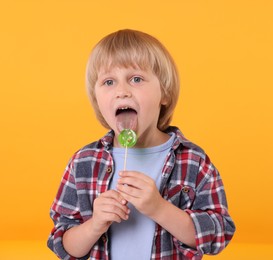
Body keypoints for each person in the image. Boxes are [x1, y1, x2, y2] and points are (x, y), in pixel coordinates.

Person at [47, 29, 235, 260]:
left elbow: (219, 234)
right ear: (96, 99)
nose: (122, 91)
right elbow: (62, 244)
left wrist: (159, 208)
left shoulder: (193, 161)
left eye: (136, 79)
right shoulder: (83, 162)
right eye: (108, 81)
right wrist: (95, 224)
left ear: (164, 93)